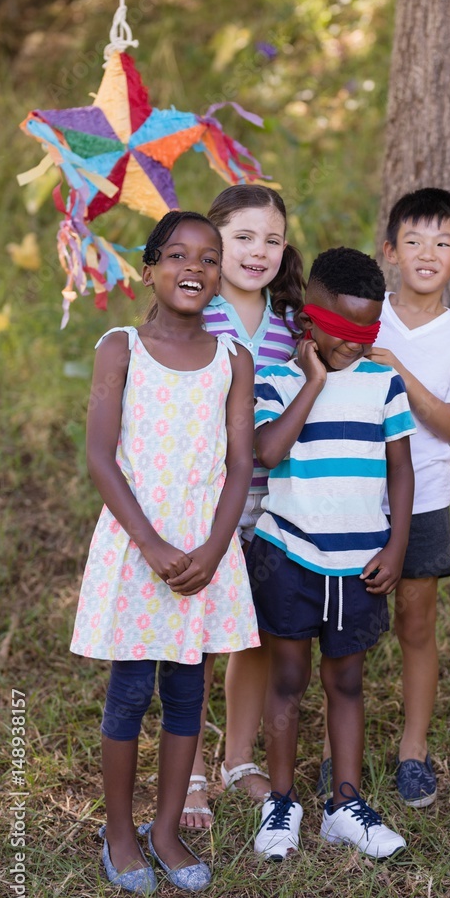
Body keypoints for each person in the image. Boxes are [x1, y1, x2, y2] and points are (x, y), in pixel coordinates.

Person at [70, 211, 257, 893]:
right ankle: (120, 833)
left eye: (208, 259)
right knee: (128, 693)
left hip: (204, 550)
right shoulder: (120, 346)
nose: (193, 269)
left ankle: (167, 829)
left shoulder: (233, 361)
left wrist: (214, 547)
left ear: (219, 276)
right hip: (137, 544)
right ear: (148, 270)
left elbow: (241, 463)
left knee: (186, 691)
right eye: (176, 255)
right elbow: (98, 452)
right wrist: (149, 542)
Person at [316, 188, 450, 808]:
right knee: (344, 628)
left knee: (416, 623)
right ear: (389, 251)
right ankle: (339, 752)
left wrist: (397, 369)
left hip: (425, 497)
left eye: (443, 243)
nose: (427, 253)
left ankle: (413, 749)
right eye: (413, 241)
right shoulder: (364, 310)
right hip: (355, 492)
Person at [248, 247, 416, 861]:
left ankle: (345, 805)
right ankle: (282, 803)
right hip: (288, 555)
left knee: (346, 682)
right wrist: (315, 382)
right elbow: (267, 453)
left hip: (360, 562)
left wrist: (396, 544)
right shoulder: (279, 380)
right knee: (287, 681)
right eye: (341, 333)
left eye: (366, 333)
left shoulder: (384, 382)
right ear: (309, 319)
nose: (353, 347)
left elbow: (401, 468)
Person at [180, 184, 304, 829]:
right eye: (245, 237)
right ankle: (191, 769)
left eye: (273, 240)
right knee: (199, 638)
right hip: (207, 501)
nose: (259, 251)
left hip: (274, 502)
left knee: (250, 633)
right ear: (216, 240)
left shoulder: (289, 327)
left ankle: (238, 759)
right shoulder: (197, 314)